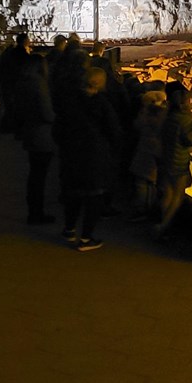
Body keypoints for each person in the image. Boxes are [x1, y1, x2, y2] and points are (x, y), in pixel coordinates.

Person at [53, 64, 117, 252]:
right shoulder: (102, 104)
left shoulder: (69, 101)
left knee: (73, 193)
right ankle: (87, 238)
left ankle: (69, 229)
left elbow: (58, 128)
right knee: (94, 197)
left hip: (71, 154)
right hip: (94, 156)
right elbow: (113, 130)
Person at [153, 81, 192, 241]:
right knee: (177, 197)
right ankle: (164, 226)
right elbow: (188, 139)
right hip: (178, 162)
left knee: (167, 194)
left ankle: (162, 223)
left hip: (165, 158)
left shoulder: (167, 115)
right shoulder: (184, 119)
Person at [16, 53, 57, 224]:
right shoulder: (39, 84)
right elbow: (47, 113)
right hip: (42, 135)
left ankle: (34, 211)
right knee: (39, 176)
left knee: (35, 174)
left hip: (29, 131)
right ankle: (36, 213)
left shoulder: (23, 82)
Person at [127, 83, 167, 222]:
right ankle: (149, 210)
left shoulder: (144, 117)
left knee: (142, 183)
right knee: (152, 185)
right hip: (155, 154)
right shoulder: (163, 117)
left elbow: (137, 126)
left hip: (145, 152)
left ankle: (142, 209)